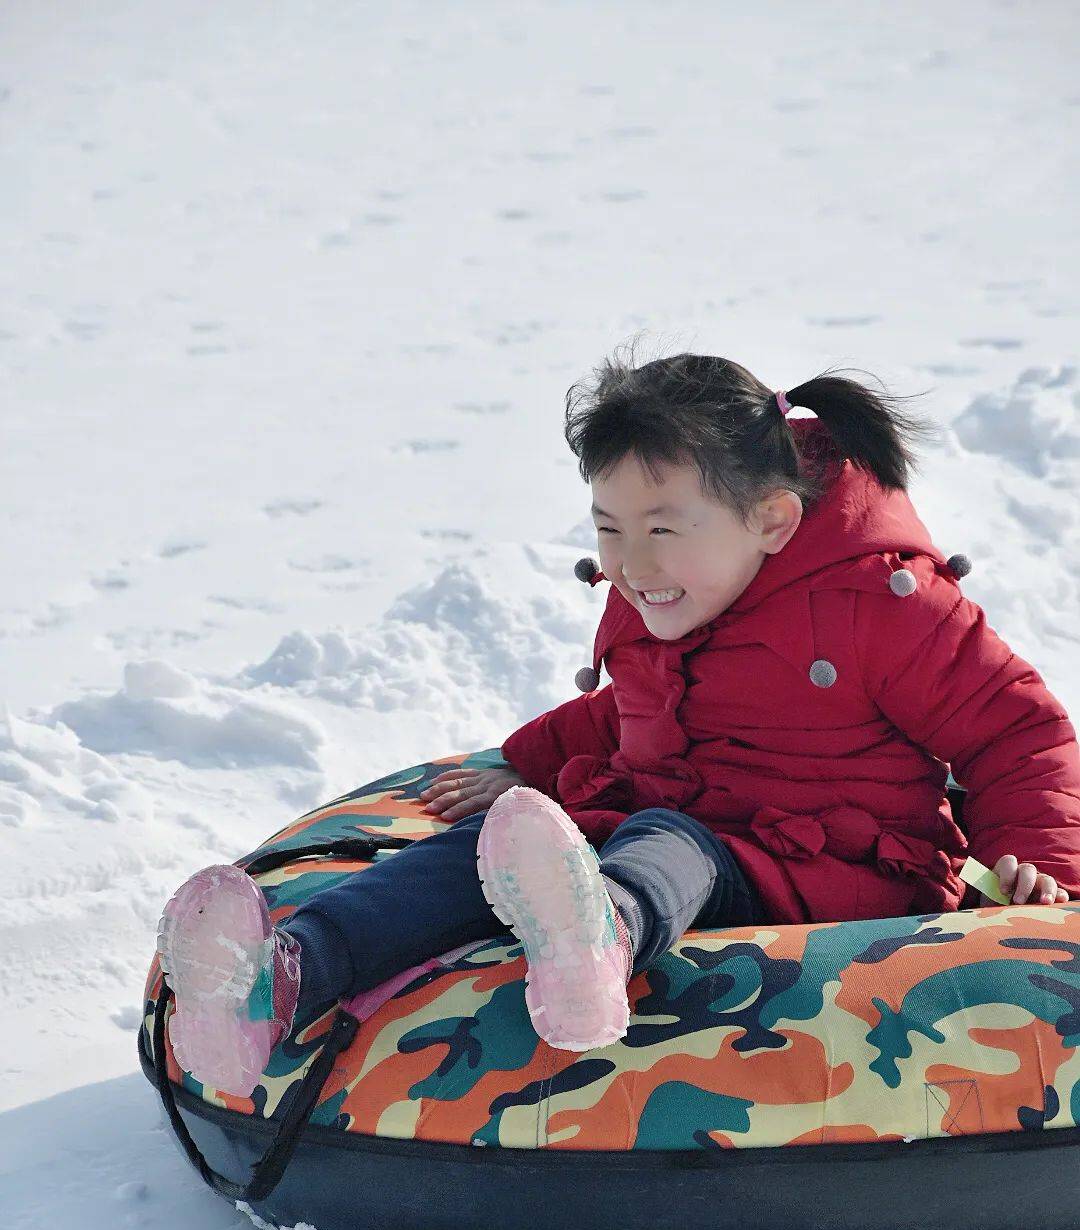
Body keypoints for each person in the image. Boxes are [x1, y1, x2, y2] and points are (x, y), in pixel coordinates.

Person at [156, 343, 1080, 1095]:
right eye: (608, 528)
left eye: (663, 528)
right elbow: (628, 714)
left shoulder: (886, 605)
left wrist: (1046, 864)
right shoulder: (656, 601)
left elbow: (1015, 734)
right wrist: (523, 764)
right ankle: (286, 972)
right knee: (470, 852)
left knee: (667, 839)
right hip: (674, 826)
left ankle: (601, 937)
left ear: (772, 519)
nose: (632, 564)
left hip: (833, 869)